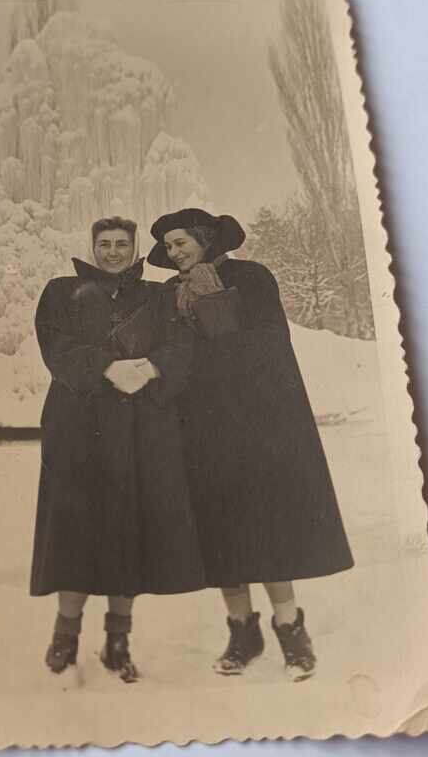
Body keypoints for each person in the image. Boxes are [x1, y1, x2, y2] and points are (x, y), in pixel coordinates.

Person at [148, 207, 354, 681]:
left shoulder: (252, 277)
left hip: (253, 424)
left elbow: (269, 342)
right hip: (198, 428)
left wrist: (213, 311)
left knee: (264, 525)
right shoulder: (166, 294)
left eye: (181, 242)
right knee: (218, 528)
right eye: (169, 246)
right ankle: (243, 631)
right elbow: (165, 353)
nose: (175, 251)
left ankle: (290, 629)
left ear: (204, 238)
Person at [30, 215, 204, 683]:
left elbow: (182, 347)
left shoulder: (158, 295)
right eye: (103, 244)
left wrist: (149, 369)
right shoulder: (60, 291)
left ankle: (117, 641)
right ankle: (65, 635)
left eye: (120, 244)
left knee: (128, 533)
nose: (111, 252)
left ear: (133, 250)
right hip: (79, 430)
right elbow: (55, 346)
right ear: (92, 246)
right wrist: (106, 368)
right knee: (75, 531)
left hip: (138, 432)